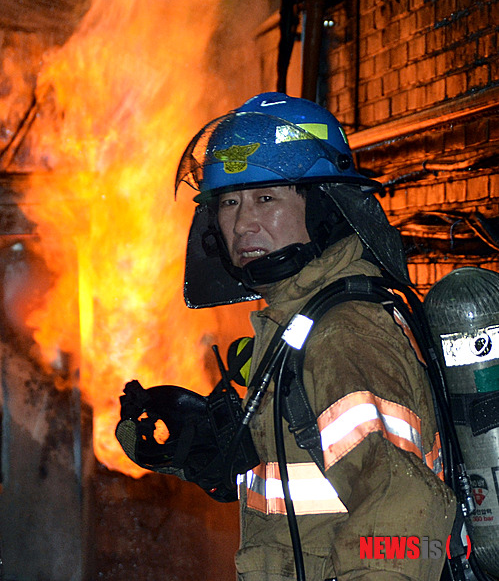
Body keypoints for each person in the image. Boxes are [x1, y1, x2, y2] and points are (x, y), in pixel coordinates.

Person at [172, 92, 456, 581]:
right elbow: (307, 480)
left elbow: (402, 507)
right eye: (229, 203)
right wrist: (206, 447)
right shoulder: (294, 320)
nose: (242, 223)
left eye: (266, 197)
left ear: (323, 206)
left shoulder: (341, 332)